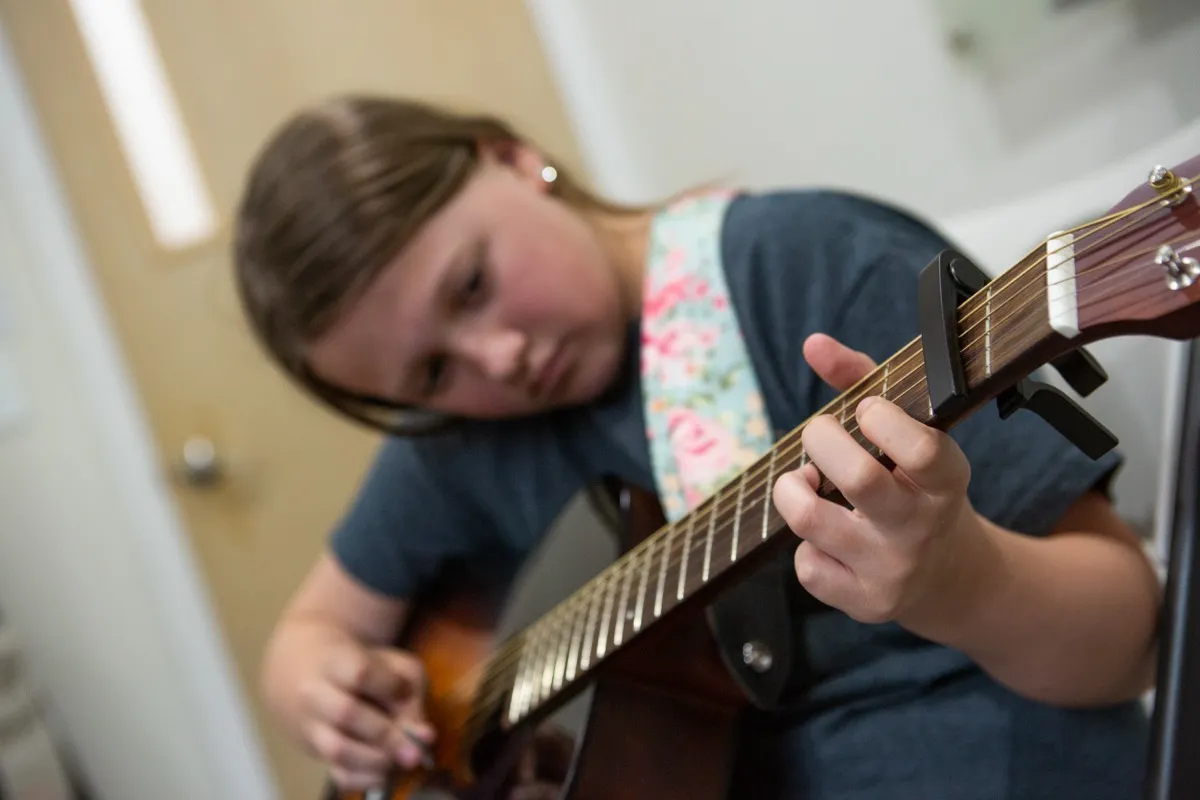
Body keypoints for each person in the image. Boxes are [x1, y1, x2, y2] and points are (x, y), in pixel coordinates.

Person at [232, 94, 1162, 799]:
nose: (498, 360)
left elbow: (1133, 640)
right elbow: (307, 637)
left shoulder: (809, 268)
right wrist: (318, 688)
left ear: (513, 160)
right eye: (431, 376)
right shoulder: (464, 444)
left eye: (471, 285)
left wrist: (958, 579)